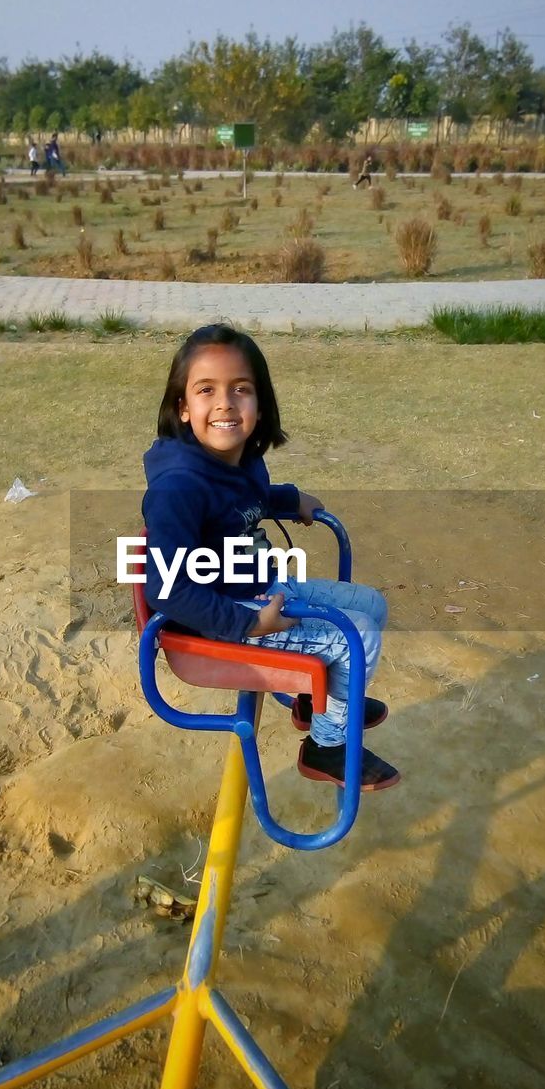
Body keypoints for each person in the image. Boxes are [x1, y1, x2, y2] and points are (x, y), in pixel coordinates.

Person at [141, 324, 399, 791]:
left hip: (257, 587)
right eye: (206, 390)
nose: (225, 403)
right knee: (354, 636)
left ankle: (316, 699)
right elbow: (166, 589)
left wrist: (288, 498)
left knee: (372, 605)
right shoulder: (177, 487)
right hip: (220, 618)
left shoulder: (238, 461)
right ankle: (328, 746)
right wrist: (250, 624)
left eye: (241, 389)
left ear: (260, 405)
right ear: (183, 407)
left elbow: (243, 498)